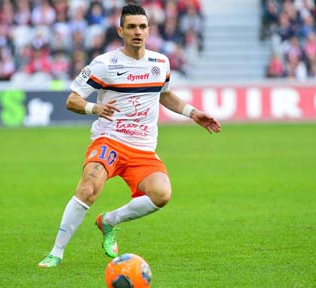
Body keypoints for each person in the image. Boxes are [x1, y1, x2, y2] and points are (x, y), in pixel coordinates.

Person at [38, 4, 221, 268]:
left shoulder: (160, 63)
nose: (138, 32)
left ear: (149, 30)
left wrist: (193, 113)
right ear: (120, 31)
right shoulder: (104, 64)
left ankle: (109, 221)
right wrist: (94, 108)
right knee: (89, 188)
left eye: (143, 27)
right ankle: (56, 252)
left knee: (162, 194)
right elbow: (72, 100)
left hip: (143, 148)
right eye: (132, 27)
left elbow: (165, 94)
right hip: (109, 139)